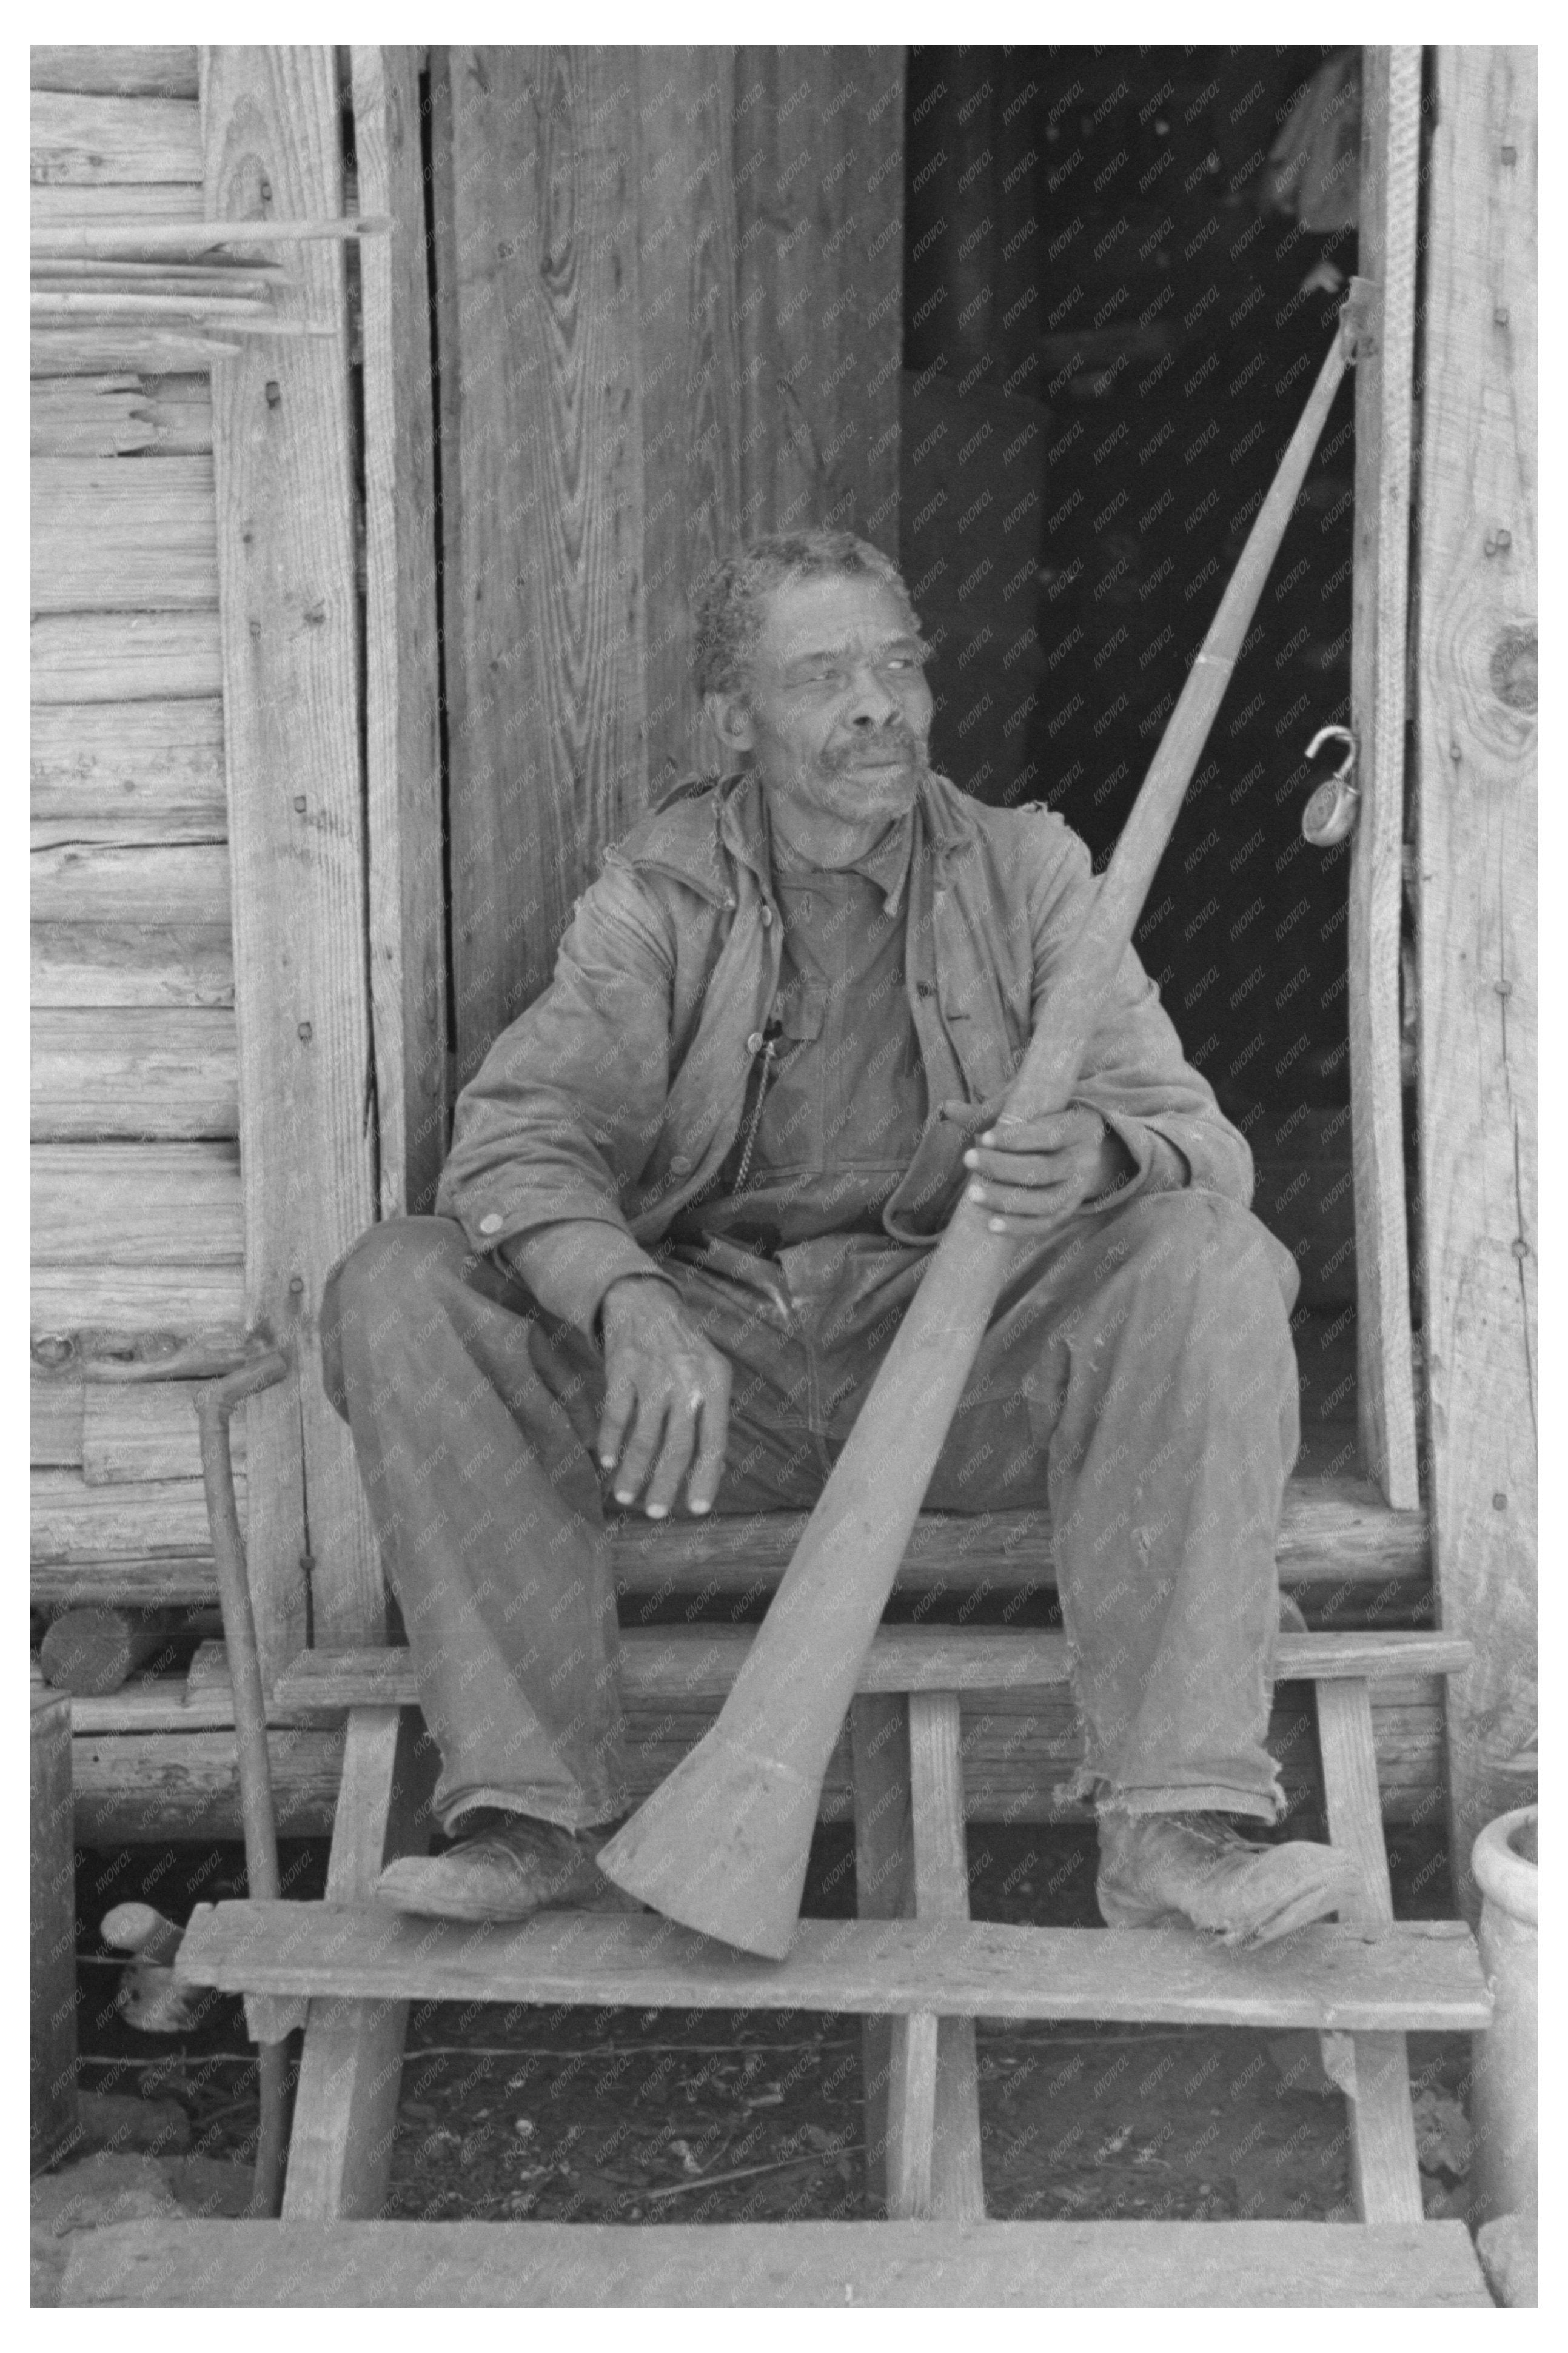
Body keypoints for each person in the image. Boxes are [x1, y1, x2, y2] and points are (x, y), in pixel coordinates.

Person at [322, 528, 1356, 1947]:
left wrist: (1104, 1155)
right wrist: (625, 1296)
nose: (879, 703)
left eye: (899, 664)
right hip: (702, 1393)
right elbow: (513, 1144)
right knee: (399, 1284)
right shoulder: (659, 896)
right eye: (826, 676)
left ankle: (1179, 1826)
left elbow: (1204, 1144)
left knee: (1213, 1259)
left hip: (962, 1382)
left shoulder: (1030, 870)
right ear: (735, 721)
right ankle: (533, 1813)